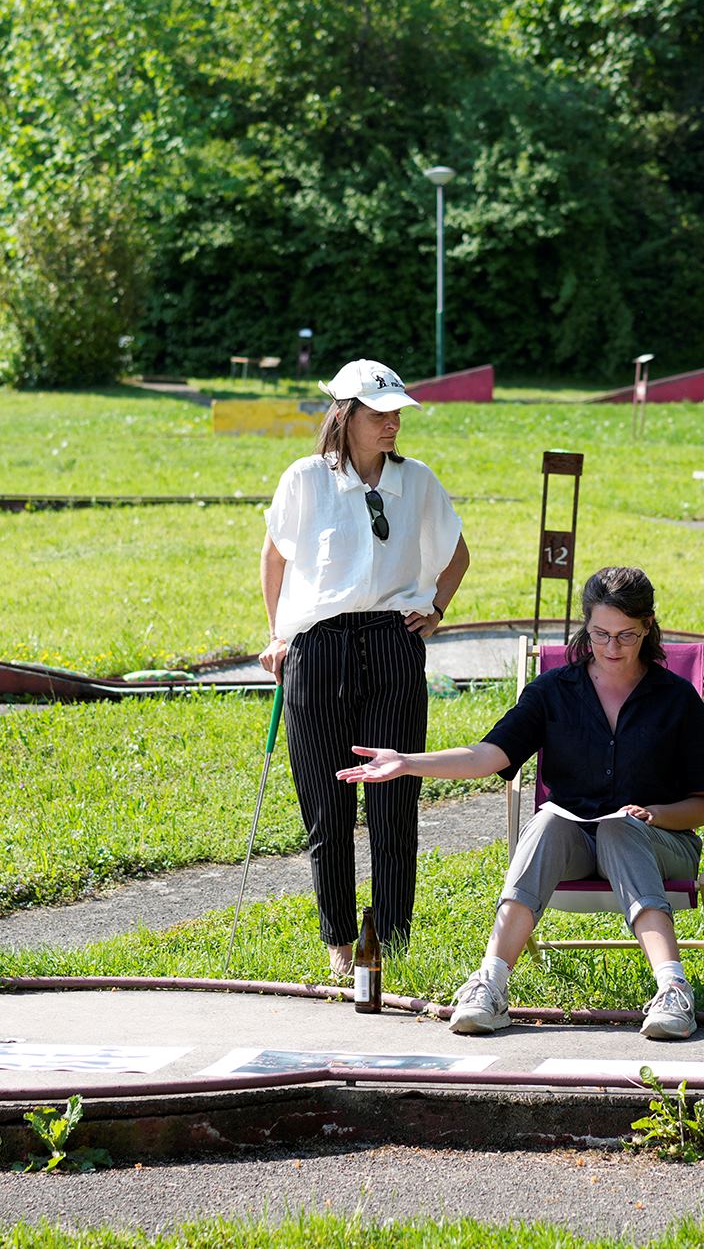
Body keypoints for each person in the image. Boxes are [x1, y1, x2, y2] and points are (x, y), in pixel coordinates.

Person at [337, 566, 704, 1041]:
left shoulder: (678, 700)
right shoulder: (554, 691)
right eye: (600, 634)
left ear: (648, 626)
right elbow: (486, 755)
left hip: (660, 843)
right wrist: (408, 762)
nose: (612, 647)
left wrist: (653, 815)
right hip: (574, 843)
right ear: (585, 625)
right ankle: (490, 985)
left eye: (626, 635)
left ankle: (673, 989)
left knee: (620, 829)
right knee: (546, 822)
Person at [260, 358, 471, 980]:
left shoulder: (418, 480)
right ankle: (339, 939)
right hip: (318, 648)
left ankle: (393, 940)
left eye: (397, 412)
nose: (392, 423)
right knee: (326, 806)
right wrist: (278, 635)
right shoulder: (306, 478)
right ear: (346, 415)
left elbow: (457, 554)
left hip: (391, 646)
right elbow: (274, 557)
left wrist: (435, 609)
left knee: (393, 803)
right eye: (379, 413)